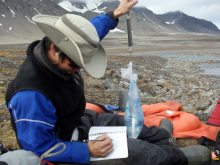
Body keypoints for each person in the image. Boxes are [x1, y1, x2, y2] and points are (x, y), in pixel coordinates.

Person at [5, 0, 211, 164]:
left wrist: (116, 14)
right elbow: (39, 148)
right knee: (132, 151)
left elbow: (89, 34)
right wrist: (86, 150)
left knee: (133, 126)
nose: (78, 69)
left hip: (79, 120)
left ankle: (164, 140)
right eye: (75, 63)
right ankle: (180, 158)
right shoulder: (30, 95)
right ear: (54, 49)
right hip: (67, 143)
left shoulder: (61, 53)